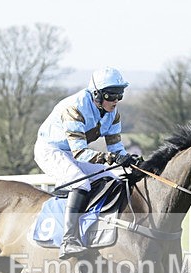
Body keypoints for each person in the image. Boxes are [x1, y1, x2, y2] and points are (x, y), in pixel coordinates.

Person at [34, 67, 142, 259]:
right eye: (110, 95)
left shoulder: (113, 113)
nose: (115, 100)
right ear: (96, 94)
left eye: (120, 95)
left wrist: (130, 161)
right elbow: (80, 153)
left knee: (111, 177)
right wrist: (112, 159)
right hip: (51, 150)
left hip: (72, 151)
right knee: (81, 182)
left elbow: (116, 149)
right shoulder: (75, 108)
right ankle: (69, 241)